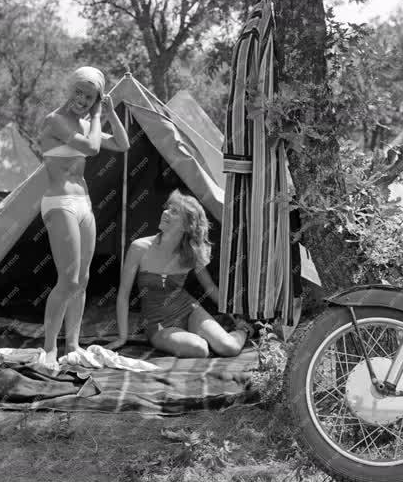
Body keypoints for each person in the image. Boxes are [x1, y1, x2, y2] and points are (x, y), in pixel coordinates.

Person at [39, 66, 129, 368]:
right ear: (70, 89)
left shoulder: (84, 123)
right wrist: (94, 117)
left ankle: (73, 345)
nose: (82, 99)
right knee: (69, 279)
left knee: (84, 279)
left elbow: (122, 144)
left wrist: (111, 113)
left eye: (90, 97)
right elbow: (91, 148)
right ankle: (49, 351)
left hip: (83, 203)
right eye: (79, 92)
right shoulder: (56, 121)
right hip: (59, 201)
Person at [109, 190, 250, 358]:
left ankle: (244, 329)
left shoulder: (192, 252)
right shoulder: (140, 248)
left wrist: (234, 315)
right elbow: (123, 295)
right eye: (168, 208)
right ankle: (204, 334)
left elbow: (210, 287)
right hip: (158, 323)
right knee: (200, 349)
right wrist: (122, 338)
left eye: (174, 211)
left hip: (188, 310)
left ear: (186, 225)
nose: (166, 212)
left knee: (229, 347)